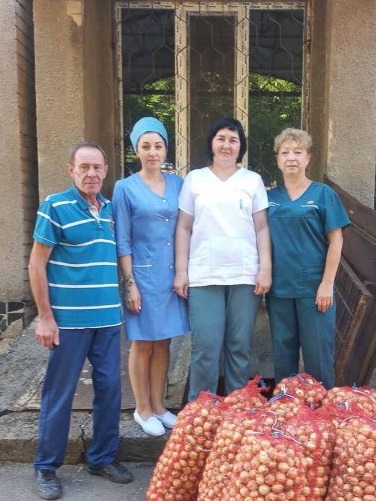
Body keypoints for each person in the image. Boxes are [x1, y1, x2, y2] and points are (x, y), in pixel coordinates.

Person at [28, 142, 133, 501]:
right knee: (60, 394)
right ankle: (46, 467)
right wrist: (45, 318)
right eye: (84, 167)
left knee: (109, 390)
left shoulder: (109, 209)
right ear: (70, 169)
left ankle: (101, 458)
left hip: (107, 318)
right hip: (68, 322)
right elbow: (36, 263)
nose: (91, 174)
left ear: (105, 171)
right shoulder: (54, 206)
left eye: (97, 168)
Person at [174, 117, 272, 400]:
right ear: (212, 144)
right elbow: (183, 226)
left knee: (239, 346)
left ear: (240, 147)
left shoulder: (252, 181)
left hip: (244, 275)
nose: (227, 145)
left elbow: (262, 226)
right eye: (221, 139)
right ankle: (200, 412)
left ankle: (236, 411)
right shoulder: (195, 179)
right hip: (204, 275)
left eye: (233, 140)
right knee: (205, 346)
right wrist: (181, 270)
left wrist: (265, 268)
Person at [112, 117, 189, 437]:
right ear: (136, 150)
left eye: (158, 145)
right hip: (142, 276)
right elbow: (123, 240)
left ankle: (159, 405)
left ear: (166, 148)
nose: (152, 152)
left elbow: (187, 227)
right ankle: (142, 409)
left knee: (164, 342)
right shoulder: (124, 188)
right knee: (142, 342)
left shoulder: (179, 184)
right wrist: (129, 283)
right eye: (145, 146)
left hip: (172, 275)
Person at [266, 128, 350, 389]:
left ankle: (322, 414)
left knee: (318, 357)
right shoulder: (268, 198)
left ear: (308, 158)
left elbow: (336, 240)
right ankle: (287, 408)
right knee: (283, 353)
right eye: (285, 152)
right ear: (278, 159)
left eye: (298, 152)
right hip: (279, 288)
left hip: (314, 288)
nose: (291, 158)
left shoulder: (323, 194)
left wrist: (327, 283)